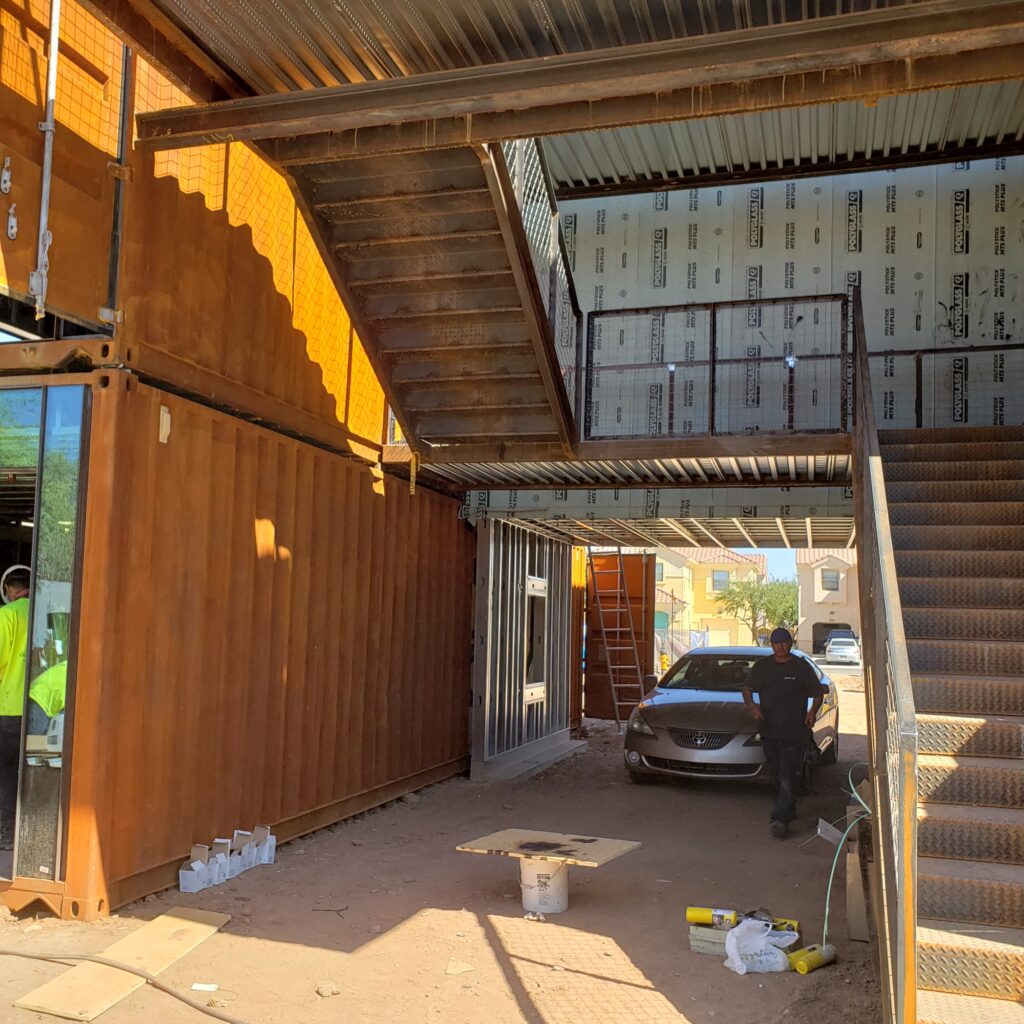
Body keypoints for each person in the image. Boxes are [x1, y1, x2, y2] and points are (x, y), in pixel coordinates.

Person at [741, 626, 825, 839]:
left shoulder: (800, 667)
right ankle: (789, 806)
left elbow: (817, 692)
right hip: (769, 731)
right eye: (777, 643)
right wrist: (752, 707)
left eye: (785, 642)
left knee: (787, 772)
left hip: (794, 732)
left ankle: (780, 819)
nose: (781, 646)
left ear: (790, 644)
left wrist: (812, 712)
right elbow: (747, 688)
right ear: (772, 645)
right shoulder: (763, 667)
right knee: (776, 774)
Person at [0, 566, 30, 849]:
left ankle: (7, 834)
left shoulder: (7, 615)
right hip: (42, 710)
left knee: (6, 772)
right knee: (34, 772)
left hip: (9, 708)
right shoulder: (48, 611)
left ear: (9, 589)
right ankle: (34, 835)